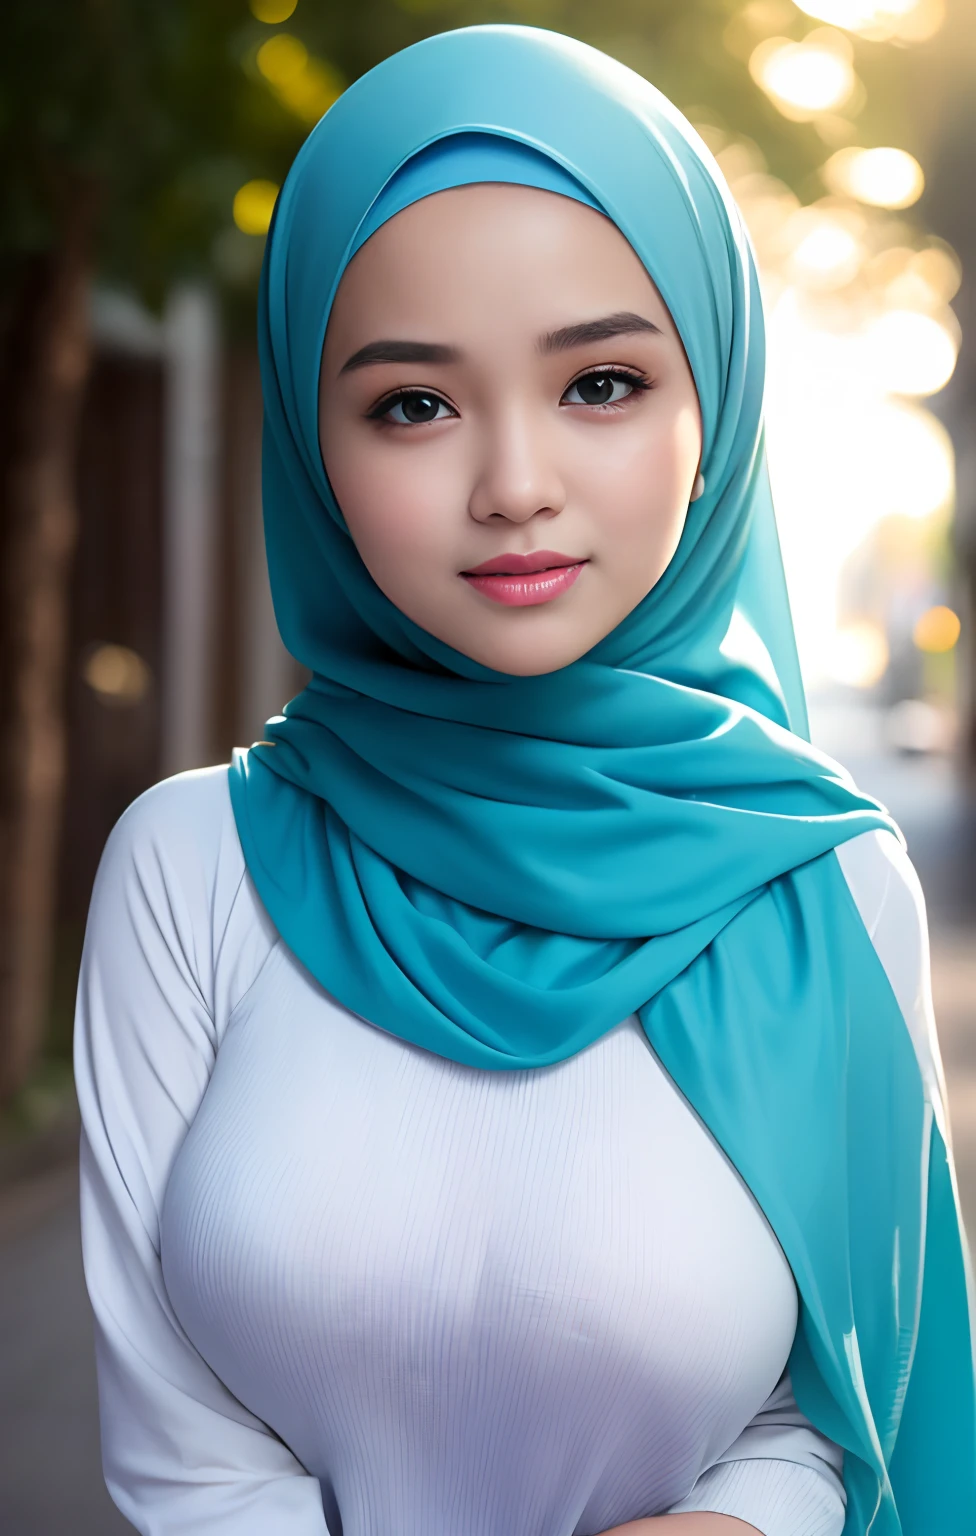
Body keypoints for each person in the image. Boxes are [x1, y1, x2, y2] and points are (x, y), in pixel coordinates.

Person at [73, 23, 976, 1536]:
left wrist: (750, 1518)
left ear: (719, 407)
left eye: (602, 382)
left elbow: (838, 1404)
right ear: (312, 444)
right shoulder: (190, 866)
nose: (513, 483)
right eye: (413, 404)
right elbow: (184, 1459)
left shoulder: (819, 879)